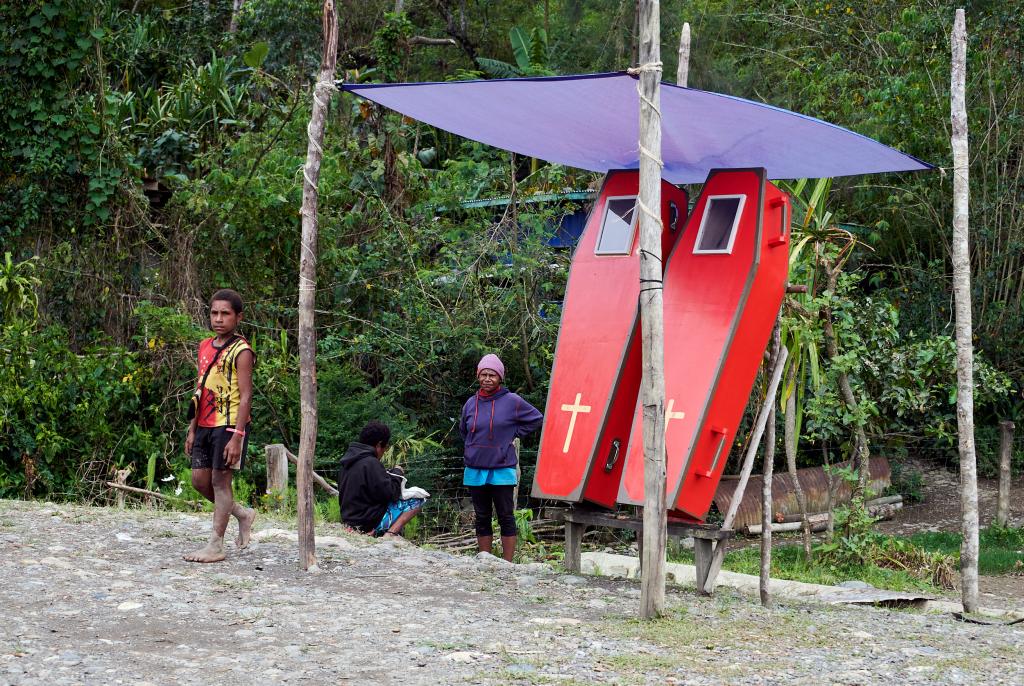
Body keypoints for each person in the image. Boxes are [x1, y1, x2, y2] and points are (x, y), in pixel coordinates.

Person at [183, 288, 257, 563]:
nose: (218, 319)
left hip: (229, 425)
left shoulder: (242, 350)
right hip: (204, 422)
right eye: (214, 313)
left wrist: (238, 435)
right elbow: (200, 388)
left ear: (238, 317)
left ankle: (216, 545)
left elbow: (246, 395)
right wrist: (192, 428)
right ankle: (241, 513)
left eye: (225, 313)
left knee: (220, 481)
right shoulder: (204, 346)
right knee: (199, 480)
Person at [460, 353, 543, 562]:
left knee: (506, 516)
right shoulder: (471, 403)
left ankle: (507, 564)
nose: (487, 379)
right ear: (478, 376)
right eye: (484, 374)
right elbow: (464, 430)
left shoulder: (512, 401)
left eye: (492, 375)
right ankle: (485, 560)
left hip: (502, 468)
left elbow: (536, 419)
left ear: (500, 378)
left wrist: (514, 434)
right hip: (475, 468)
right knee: (482, 516)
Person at [337, 421, 424, 537]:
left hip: (349, 521)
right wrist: (397, 473)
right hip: (366, 523)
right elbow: (391, 494)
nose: (384, 452)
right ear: (379, 445)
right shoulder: (371, 463)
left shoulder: (348, 462)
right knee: (418, 499)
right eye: (385, 448)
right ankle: (389, 535)